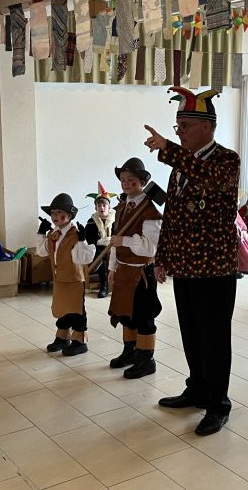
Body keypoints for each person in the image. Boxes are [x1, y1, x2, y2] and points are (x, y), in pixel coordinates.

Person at [143, 86, 239, 436]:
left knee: (214, 338)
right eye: (177, 125)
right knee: (192, 334)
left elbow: (209, 179)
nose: (179, 131)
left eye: (184, 125)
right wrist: (162, 257)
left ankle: (218, 404)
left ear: (207, 127)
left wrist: (168, 150)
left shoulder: (226, 160)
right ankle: (197, 388)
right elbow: (172, 216)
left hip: (214, 268)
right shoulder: (181, 165)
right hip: (184, 265)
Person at [108, 157, 162, 379]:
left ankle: (146, 359)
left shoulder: (150, 212)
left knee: (143, 316)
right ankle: (130, 352)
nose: (126, 184)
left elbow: (151, 248)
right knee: (126, 314)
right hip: (123, 270)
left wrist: (125, 241)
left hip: (141, 273)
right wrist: (112, 268)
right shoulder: (121, 208)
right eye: (123, 180)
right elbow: (114, 241)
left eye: (131, 180)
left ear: (142, 182)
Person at [36, 193, 95, 356]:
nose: (55, 216)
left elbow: (82, 258)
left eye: (59, 213)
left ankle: (80, 341)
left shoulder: (75, 234)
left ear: (69, 215)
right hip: (59, 279)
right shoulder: (53, 234)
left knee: (76, 311)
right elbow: (41, 252)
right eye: (53, 213)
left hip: (74, 279)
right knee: (62, 309)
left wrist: (82, 241)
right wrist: (41, 233)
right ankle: (62, 338)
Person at [85, 182, 116, 298]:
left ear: (109, 207)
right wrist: (99, 241)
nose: (102, 208)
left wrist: (112, 240)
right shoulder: (91, 222)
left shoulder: (116, 220)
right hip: (98, 248)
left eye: (104, 205)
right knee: (98, 255)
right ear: (96, 208)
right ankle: (104, 284)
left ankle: (117, 283)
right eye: (99, 206)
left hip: (114, 246)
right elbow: (89, 238)